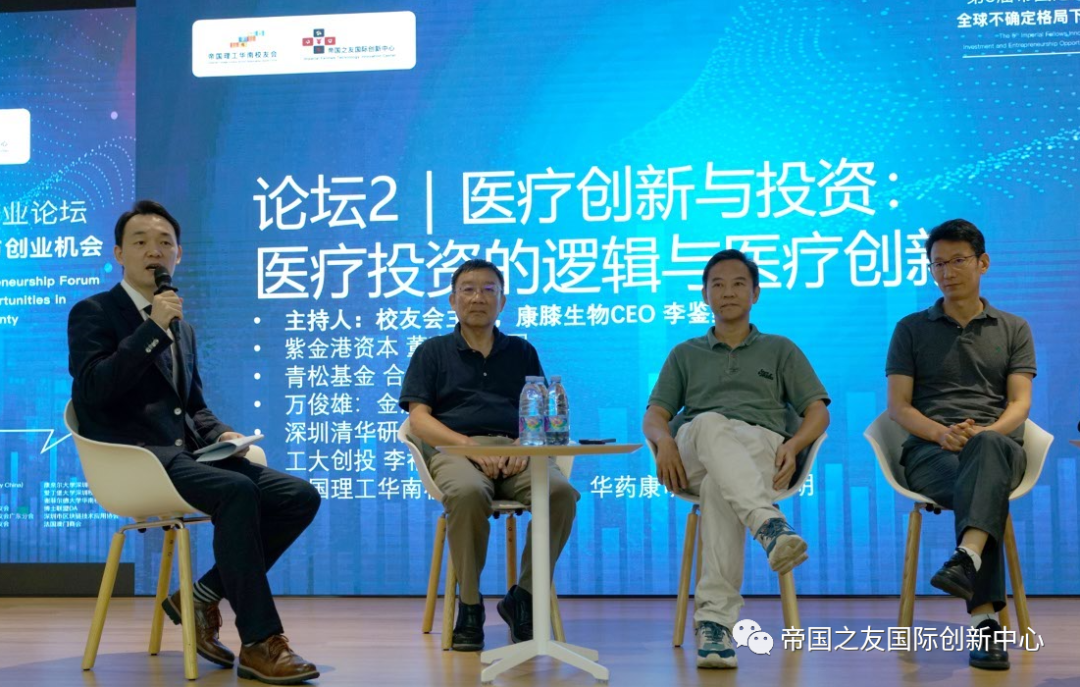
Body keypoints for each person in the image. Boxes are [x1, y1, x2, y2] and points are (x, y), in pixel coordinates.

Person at [68, 200, 321, 685]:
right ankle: (261, 642)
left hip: (184, 458)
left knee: (298, 496)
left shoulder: (181, 327)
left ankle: (199, 597)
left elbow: (193, 407)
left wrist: (222, 434)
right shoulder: (95, 312)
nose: (154, 251)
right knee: (237, 491)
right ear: (118, 253)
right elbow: (93, 390)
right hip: (133, 460)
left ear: (179, 255)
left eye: (164, 242)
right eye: (140, 241)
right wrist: (151, 330)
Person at [642, 249, 829, 669]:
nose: (727, 292)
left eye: (738, 283)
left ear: (755, 293)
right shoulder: (685, 353)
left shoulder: (780, 349)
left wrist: (795, 445)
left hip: (760, 448)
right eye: (718, 285)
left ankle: (715, 626)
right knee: (709, 423)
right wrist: (664, 442)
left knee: (719, 486)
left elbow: (818, 411)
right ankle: (768, 525)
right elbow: (655, 415)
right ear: (705, 295)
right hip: (693, 450)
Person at [399, 259, 579, 651]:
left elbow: (541, 411)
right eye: (467, 289)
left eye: (488, 289)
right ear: (452, 300)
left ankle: (524, 598)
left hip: (517, 450)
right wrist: (468, 447)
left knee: (561, 494)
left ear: (502, 301)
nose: (477, 297)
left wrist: (522, 446)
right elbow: (419, 419)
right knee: (466, 493)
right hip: (456, 450)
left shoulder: (521, 351)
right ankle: (469, 605)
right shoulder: (432, 352)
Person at [886, 218, 1036, 671]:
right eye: (938, 264)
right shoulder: (911, 328)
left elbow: (1019, 403)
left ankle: (971, 575)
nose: (947, 272)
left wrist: (988, 433)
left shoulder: (1013, 327)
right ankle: (982, 609)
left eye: (957, 261)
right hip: (932, 453)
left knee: (986, 455)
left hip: (999, 447)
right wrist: (941, 433)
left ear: (982, 263)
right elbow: (898, 406)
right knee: (983, 491)